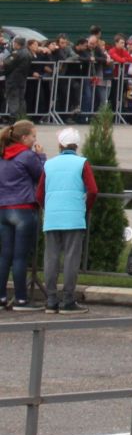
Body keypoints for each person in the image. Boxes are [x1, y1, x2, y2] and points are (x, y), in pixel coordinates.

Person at [38, 127, 97, 314]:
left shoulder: (49, 164)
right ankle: (68, 300)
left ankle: (51, 299)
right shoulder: (82, 163)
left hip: (53, 216)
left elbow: (39, 193)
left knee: (51, 258)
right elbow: (93, 190)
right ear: (77, 145)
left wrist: (49, 208)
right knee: (71, 259)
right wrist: (85, 207)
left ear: (60, 145)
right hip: (74, 216)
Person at [0, 120, 47, 310]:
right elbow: (42, 175)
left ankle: (2, 297)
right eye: (33, 136)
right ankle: (21, 298)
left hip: (3, 209)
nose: (35, 139)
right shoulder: (26, 155)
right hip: (23, 208)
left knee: (4, 256)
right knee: (20, 257)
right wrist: (41, 156)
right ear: (24, 137)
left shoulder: (3, 154)